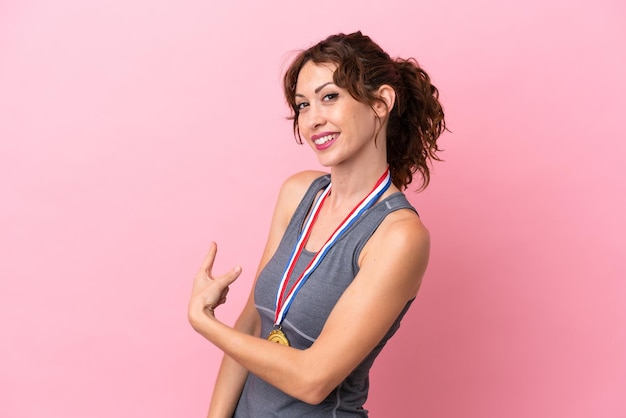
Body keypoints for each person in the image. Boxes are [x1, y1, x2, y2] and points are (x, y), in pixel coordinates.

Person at [188, 31, 446, 417]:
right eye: (303, 105)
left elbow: (314, 380)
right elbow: (253, 322)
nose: (313, 119)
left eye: (330, 97)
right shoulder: (298, 193)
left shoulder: (399, 236)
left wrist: (204, 323)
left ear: (381, 102)